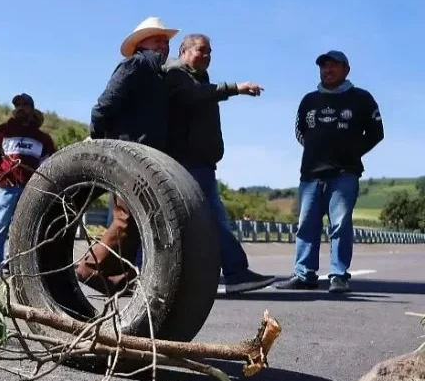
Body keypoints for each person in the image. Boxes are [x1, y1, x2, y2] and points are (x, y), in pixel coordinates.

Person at [163, 34, 276, 294]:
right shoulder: (176, 74)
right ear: (184, 51)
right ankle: (236, 273)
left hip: (202, 163)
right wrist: (235, 88)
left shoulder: (197, 78)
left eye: (209, 52)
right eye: (201, 51)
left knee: (210, 221)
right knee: (210, 220)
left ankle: (229, 273)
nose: (207, 56)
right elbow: (193, 96)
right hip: (188, 162)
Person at [78, 17, 178, 295]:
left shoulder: (157, 75)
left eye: (166, 41)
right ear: (141, 43)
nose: (164, 45)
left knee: (136, 217)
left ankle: (119, 277)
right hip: (129, 154)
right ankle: (89, 267)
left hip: (146, 157)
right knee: (128, 218)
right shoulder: (135, 65)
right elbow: (103, 107)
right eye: (157, 39)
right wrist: (102, 142)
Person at [273, 50, 384, 293]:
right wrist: (318, 150)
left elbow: (377, 133)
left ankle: (339, 275)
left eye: (333, 66)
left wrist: (353, 152)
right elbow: (300, 131)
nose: (328, 70)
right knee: (306, 225)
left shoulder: (362, 99)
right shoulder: (309, 100)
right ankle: (304, 274)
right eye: (324, 67)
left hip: (345, 173)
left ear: (346, 70)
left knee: (340, 224)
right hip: (311, 173)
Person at [0, 94, 56, 280]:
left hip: (30, 190)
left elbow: (48, 165)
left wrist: (38, 185)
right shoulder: (2, 131)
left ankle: (12, 264)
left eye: (25, 105)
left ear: (32, 108)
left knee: (21, 228)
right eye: (18, 105)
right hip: (7, 187)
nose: (20, 108)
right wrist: (1, 177)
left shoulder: (42, 138)